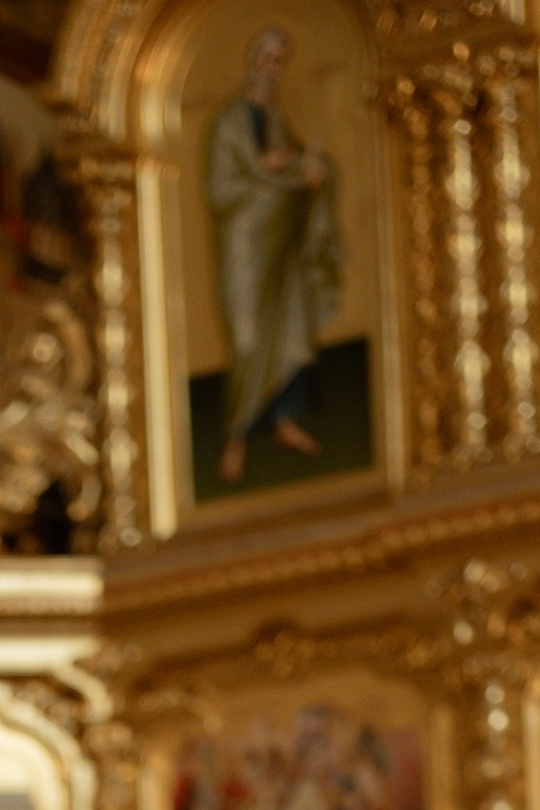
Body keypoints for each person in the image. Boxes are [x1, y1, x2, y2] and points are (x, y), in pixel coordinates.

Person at [206, 27, 341, 484]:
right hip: (245, 246)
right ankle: (236, 442)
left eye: (281, 60)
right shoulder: (228, 123)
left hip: (280, 241)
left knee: (286, 328)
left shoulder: (277, 117)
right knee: (247, 340)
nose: (272, 68)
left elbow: (294, 164)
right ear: (251, 60)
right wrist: (268, 171)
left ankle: (283, 423)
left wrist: (312, 170)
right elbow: (223, 190)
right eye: (266, 58)